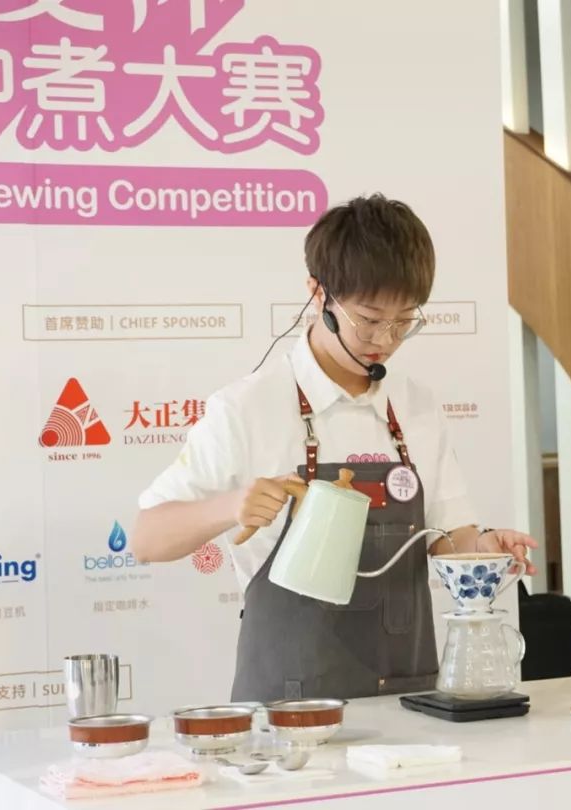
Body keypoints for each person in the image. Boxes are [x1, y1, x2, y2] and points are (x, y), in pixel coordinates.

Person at [132, 194, 538, 701]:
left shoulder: (417, 407)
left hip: (407, 701)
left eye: (403, 322)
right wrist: (231, 506)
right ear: (318, 293)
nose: (385, 340)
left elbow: (448, 538)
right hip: (286, 711)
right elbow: (146, 538)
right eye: (369, 319)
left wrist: (484, 548)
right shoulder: (247, 408)